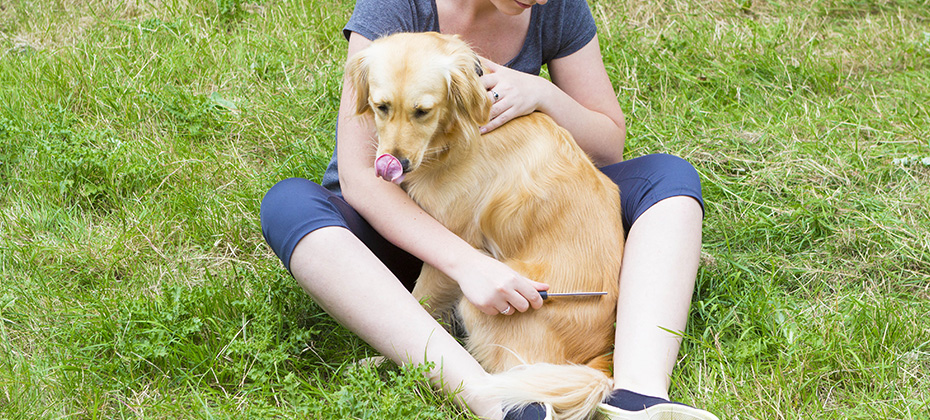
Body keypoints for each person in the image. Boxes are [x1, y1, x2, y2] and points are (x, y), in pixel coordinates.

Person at [260, 0, 718, 419]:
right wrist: (468, 264)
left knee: (668, 174)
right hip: (387, 231)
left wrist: (543, 94)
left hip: (517, 232)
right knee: (288, 205)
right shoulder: (394, 9)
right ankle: (491, 396)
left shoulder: (554, 5)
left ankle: (639, 391)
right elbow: (361, 178)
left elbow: (608, 146)